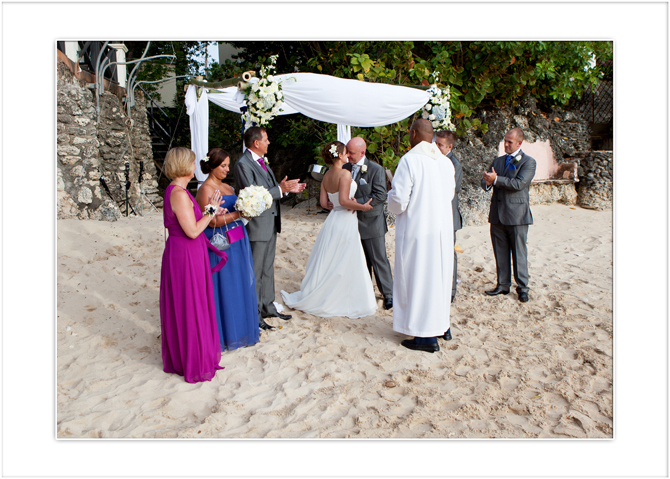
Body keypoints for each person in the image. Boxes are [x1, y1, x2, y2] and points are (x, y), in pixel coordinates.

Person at [281, 141, 376, 318]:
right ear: (339, 155)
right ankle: (341, 296)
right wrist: (362, 207)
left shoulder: (326, 176)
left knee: (331, 256)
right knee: (345, 256)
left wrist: (339, 205)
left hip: (333, 220)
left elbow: (324, 204)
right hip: (346, 220)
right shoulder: (345, 174)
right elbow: (345, 200)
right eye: (346, 152)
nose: (348, 155)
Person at [160, 146, 228, 383]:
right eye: (191, 162)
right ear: (184, 165)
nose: (194, 166)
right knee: (190, 303)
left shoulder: (178, 190)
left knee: (191, 301)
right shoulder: (178, 193)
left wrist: (211, 210)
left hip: (188, 251)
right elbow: (192, 230)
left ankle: (190, 353)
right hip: (185, 253)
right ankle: (193, 358)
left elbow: (192, 221)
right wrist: (210, 211)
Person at [388, 119, 455, 353]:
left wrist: (390, 197)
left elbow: (399, 202)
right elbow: (448, 195)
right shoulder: (445, 162)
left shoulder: (410, 160)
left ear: (414, 133)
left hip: (418, 229)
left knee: (418, 279)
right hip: (441, 231)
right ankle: (441, 326)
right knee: (439, 278)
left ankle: (425, 337)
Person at [234, 126, 306, 331]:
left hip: (270, 221)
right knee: (255, 271)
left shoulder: (261, 161)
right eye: (266, 139)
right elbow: (252, 195)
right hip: (257, 224)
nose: (269, 143)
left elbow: (268, 189)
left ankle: (267, 306)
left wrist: (283, 187)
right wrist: (279, 189)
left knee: (267, 268)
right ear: (256, 143)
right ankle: (254, 313)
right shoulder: (243, 164)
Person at [195, 148, 259, 351]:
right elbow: (212, 222)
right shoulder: (205, 190)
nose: (227, 169)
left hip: (238, 238)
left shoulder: (228, 187)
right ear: (211, 166)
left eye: (227, 165)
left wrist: (248, 211)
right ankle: (225, 334)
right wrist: (239, 214)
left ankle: (242, 330)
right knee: (225, 287)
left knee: (241, 283)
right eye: (223, 166)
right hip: (220, 242)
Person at [481, 127, 537, 303]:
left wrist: (496, 180)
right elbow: (486, 183)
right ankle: (503, 285)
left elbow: (519, 184)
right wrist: (487, 182)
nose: (505, 144)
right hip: (497, 213)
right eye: (505, 141)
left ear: (519, 143)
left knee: (519, 252)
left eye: (509, 142)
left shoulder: (528, 162)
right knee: (500, 251)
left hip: (517, 215)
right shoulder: (497, 161)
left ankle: (522, 288)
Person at [343, 137, 394, 310]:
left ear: (363, 153)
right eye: (347, 152)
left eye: (351, 153)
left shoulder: (375, 169)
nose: (348, 155)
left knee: (378, 259)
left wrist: (356, 203)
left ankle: (388, 294)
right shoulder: (345, 168)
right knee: (360, 260)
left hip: (372, 222)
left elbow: (380, 195)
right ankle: (363, 292)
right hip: (350, 222)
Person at [435, 130, 463, 304]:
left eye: (440, 145)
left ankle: (451, 289)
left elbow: (454, 189)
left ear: (449, 147)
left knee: (449, 252)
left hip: (449, 214)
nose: (436, 147)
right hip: (435, 214)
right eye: (435, 143)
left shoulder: (454, 164)